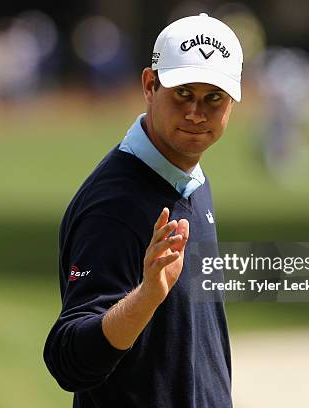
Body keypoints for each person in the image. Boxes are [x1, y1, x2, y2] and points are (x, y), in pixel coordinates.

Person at [44, 13, 243, 407]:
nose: (197, 113)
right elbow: (68, 359)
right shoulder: (113, 207)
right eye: (183, 93)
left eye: (213, 98)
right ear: (150, 86)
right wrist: (147, 295)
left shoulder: (190, 179)